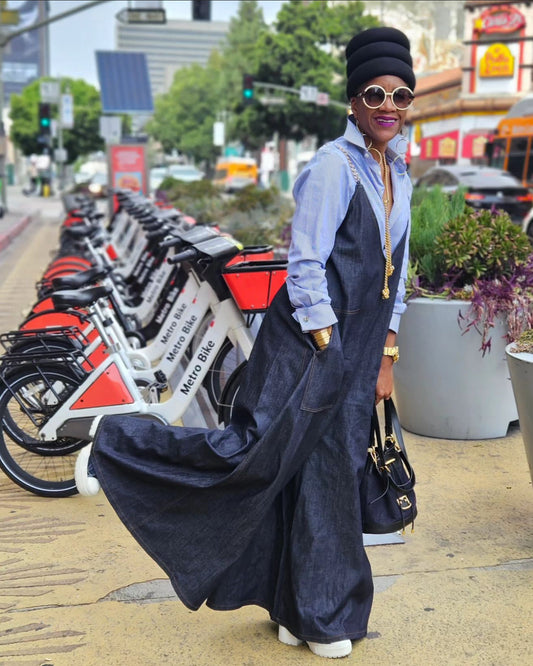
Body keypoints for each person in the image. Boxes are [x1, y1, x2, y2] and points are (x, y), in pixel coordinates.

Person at [75, 26, 415, 659]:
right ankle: (116, 442)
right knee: (258, 457)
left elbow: (398, 268)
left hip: (359, 346)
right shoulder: (332, 168)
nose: (389, 106)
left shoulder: (398, 172)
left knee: (320, 469)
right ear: (352, 100)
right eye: (375, 93)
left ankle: (302, 610)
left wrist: (386, 353)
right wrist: (328, 347)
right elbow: (306, 267)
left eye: (401, 94)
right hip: (312, 342)